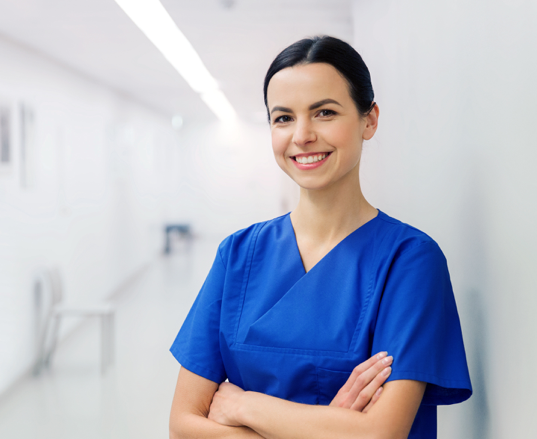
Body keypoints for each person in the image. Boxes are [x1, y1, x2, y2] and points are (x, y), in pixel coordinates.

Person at [169, 35, 472, 439]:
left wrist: (245, 405)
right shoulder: (238, 255)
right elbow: (183, 426)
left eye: (324, 112)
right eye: (283, 118)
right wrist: (331, 427)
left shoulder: (410, 260)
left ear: (369, 119)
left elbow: (380, 434)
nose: (302, 135)